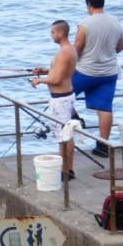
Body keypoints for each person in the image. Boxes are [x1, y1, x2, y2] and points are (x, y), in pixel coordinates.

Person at [73, 0, 123, 157]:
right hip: (109, 73)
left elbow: (77, 50)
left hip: (86, 71)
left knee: (60, 91)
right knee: (105, 108)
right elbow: (120, 47)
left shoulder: (85, 24)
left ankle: (74, 119)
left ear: (88, 4)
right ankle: (103, 145)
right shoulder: (115, 22)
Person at [31, 19, 79, 179]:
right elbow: (61, 72)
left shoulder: (64, 52)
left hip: (61, 99)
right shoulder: (70, 50)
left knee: (64, 136)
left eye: (53, 32)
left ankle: (67, 171)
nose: (51, 35)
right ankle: (67, 169)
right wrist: (45, 70)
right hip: (66, 96)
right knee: (66, 134)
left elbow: (57, 79)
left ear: (61, 33)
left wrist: (39, 80)